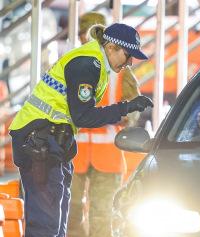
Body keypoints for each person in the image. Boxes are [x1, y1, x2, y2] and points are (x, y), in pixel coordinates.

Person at [9, 22, 153, 237]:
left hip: (50, 141)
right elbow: (83, 115)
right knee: (46, 225)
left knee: (56, 222)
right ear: (112, 47)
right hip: (39, 141)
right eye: (127, 54)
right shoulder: (88, 64)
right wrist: (126, 107)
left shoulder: (96, 63)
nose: (130, 62)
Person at [67, 12, 141, 237]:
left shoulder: (120, 71)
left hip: (105, 155)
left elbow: (134, 109)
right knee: (70, 213)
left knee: (102, 215)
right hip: (74, 153)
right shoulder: (72, 63)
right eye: (83, 35)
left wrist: (125, 116)